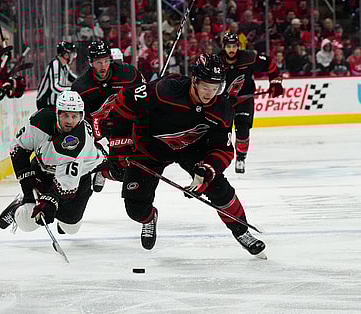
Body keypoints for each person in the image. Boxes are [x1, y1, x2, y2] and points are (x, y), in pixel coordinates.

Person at [97, 54, 266, 258]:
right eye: (205, 86)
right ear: (194, 80)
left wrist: (207, 170)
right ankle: (149, 218)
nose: (210, 94)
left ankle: (242, 231)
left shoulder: (221, 109)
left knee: (218, 188)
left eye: (216, 88)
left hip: (192, 150)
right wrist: (119, 147)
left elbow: (223, 148)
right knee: (135, 208)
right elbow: (124, 101)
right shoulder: (165, 90)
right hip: (150, 148)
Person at [0, 90, 104, 235]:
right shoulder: (40, 121)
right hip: (43, 170)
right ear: (57, 113)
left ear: (81, 116)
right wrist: (27, 184)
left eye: (74, 116)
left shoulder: (80, 138)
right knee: (29, 222)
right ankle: (18, 207)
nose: (69, 121)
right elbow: (18, 149)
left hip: (78, 178)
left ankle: (62, 217)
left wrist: (49, 201)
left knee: (71, 227)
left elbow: (66, 185)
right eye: (65, 115)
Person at [71, 40, 145, 192]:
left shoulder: (128, 74)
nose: (103, 66)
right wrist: (99, 137)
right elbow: (82, 120)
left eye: (106, 61)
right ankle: (100, 166)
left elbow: (144, 97)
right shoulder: (81, 87)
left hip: (124, 123)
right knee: (115, 166)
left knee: (128, 171)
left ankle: (105, 170)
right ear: (90, 62)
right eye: (98, 62)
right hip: (99, 128)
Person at [219, 32, 284, 174]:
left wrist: (275, 83)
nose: (231, 49)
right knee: (221, 133)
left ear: (238, 46)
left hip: (244, 100)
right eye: (228, 46)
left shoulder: (248, 57)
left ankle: (241, 158)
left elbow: (271, 65)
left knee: (243, 130)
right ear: (223, 47)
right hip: (222, 102)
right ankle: (218, 161)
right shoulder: (216, 61)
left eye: (234, 46)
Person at [36, 41, 78, 110]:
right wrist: (72, 89)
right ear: (65, 55)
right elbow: (55, 87)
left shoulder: (64, 66)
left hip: (54, 104)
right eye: (72, 54)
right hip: (46, 104)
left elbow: (74, 79)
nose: (73, 57)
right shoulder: (55, 63)